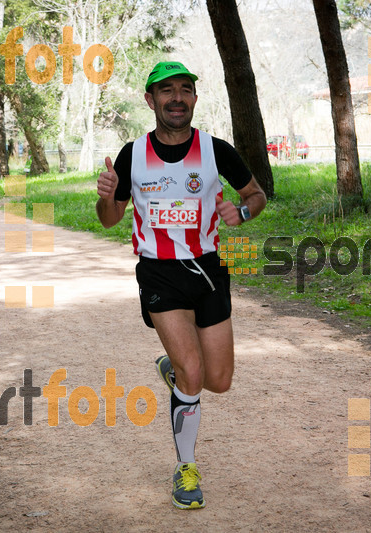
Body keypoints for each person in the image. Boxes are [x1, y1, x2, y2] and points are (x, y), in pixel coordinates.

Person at [96, 61, 267, 510]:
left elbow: (257, 194)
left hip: (207, 271)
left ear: (194, 98)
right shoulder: (133, 154)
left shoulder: (216, 150)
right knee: (194, 373)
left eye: (185, 90)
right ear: (150, 100)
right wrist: (105, 196)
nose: (177, 97)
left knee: (219, 381)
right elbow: (111, 219)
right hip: (159, 274)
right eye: (166, 90)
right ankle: (186, 468)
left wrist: (243, 212)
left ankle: (174, 374)